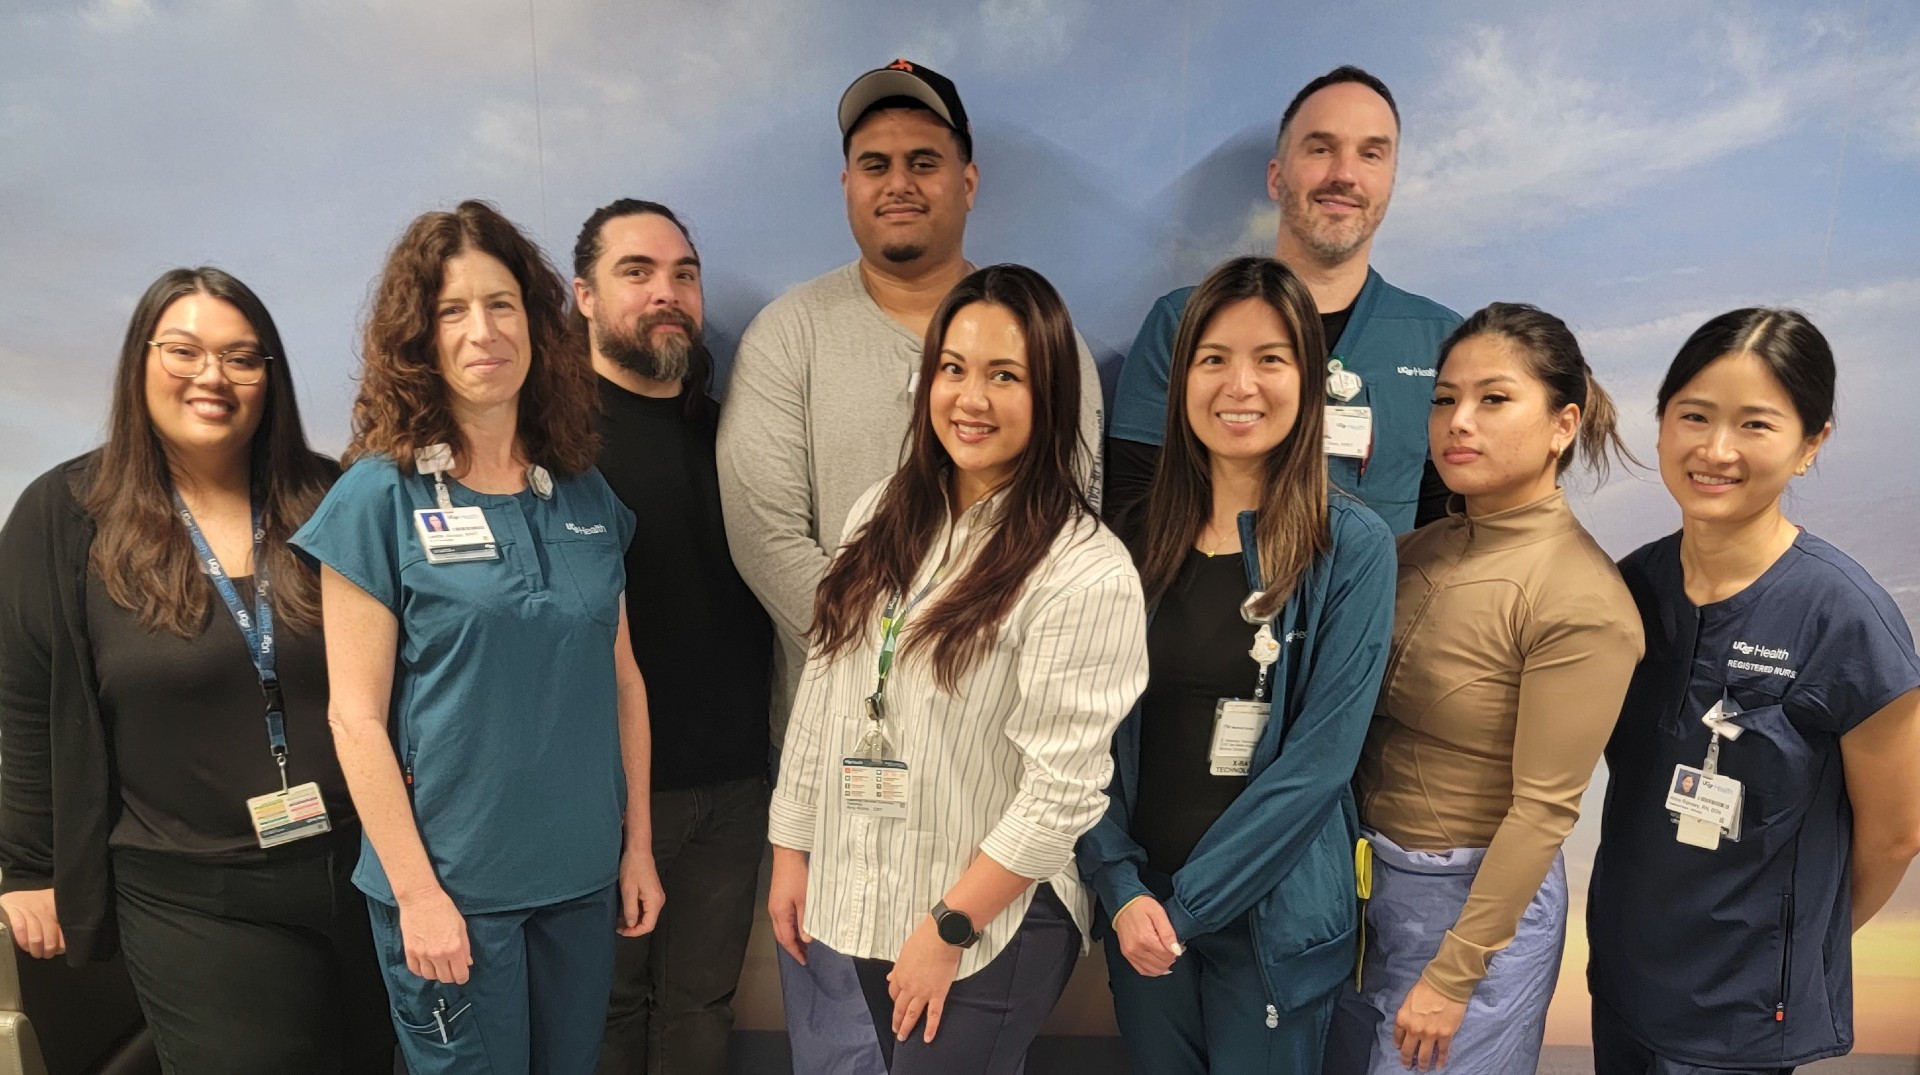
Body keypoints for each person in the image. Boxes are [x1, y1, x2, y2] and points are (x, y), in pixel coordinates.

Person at [716, 58, 1103, 1073]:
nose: (899, 179)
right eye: (874, 161)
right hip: (840, 798)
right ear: (845, 182)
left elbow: (1063, 541)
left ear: (967, 179)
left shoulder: (1052, 351)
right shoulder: (790, 341)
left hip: (988, 813)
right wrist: (891, 668)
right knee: (842, 1054)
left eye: (924, 160)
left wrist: (934, 668)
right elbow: (766, 539)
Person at [290, 200, 666, 1073]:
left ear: (537, 323)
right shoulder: (376, 500)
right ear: (419, 338)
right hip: (454, 894)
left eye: (501, 304)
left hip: (577, 881)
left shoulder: (581, 493)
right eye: (452, 311)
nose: (481, 331)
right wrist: (419, 895)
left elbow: (624, 683)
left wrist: (637, 845)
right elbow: (354, 720)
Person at [0, 268, 392, 1072]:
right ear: (140, 361)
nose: (212, 376)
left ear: (270, 377)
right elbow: (26, 699)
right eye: (185, 351)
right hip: (192, 891)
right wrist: (29, 865)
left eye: (242, 357)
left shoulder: (331, 496)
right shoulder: (64, 512)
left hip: (360, 868)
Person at [766, 264, 1147, 1074]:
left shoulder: (1085, 568)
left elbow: (1062, 793)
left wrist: (948, 927)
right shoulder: (883, 512)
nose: (971, 398)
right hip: (878, 874)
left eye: (1004, 375)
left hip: (991, 915)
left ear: (1050, 395)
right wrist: (793, 849)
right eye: (953, 368)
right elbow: (829, 687)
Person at [1076, 256, 1397, 1074]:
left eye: (1271, 358)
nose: (1240, 384)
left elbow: (1320, 763)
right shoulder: (1134, 542)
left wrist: (1187, 908)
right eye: (1214, 358)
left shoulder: (1350, 547)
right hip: (1141, 917)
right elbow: (1086, 734)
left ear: (1310, 380)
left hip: (1269, 928)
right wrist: (1119, 885)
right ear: (1181, 380)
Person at [1587, 309, 1920, 1075]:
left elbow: (1897, 833)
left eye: (1755, 424)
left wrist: (1787, 951)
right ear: (1662, 423)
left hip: (1741, 1017)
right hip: (1625, 985)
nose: (1715, 449)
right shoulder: (1630, 588)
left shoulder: (1843, 617)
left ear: (1811, 444)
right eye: (1693, 416)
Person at [1325, 303, 1643, 1074]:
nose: (1458, 421)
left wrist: (1453, 973)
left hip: (1473, 923)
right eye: (1444, 398)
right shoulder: (1407, 552)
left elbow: (1542, 810)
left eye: (1493, 399)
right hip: (1362, 894)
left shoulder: (1583, 598)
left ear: (1563, 424)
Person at [572, 198, 774, 1075]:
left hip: (734, 784)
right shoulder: (551, 444)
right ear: (583, 295)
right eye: (637, 272)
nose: (667, 292)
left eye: (683, 275)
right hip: (601, 788)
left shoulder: (735, 432)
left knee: (701, 1008)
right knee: (605, 1011)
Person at [1106, 65, 1460, 533]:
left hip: (1381, 607)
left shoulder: (1440, 343)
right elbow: (1132, 519)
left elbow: (1447, 538)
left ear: (1390, 183)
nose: (1345, 174)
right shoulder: (1182, 323)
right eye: (1320, 149)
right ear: (1275, 178)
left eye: (1371, 155)